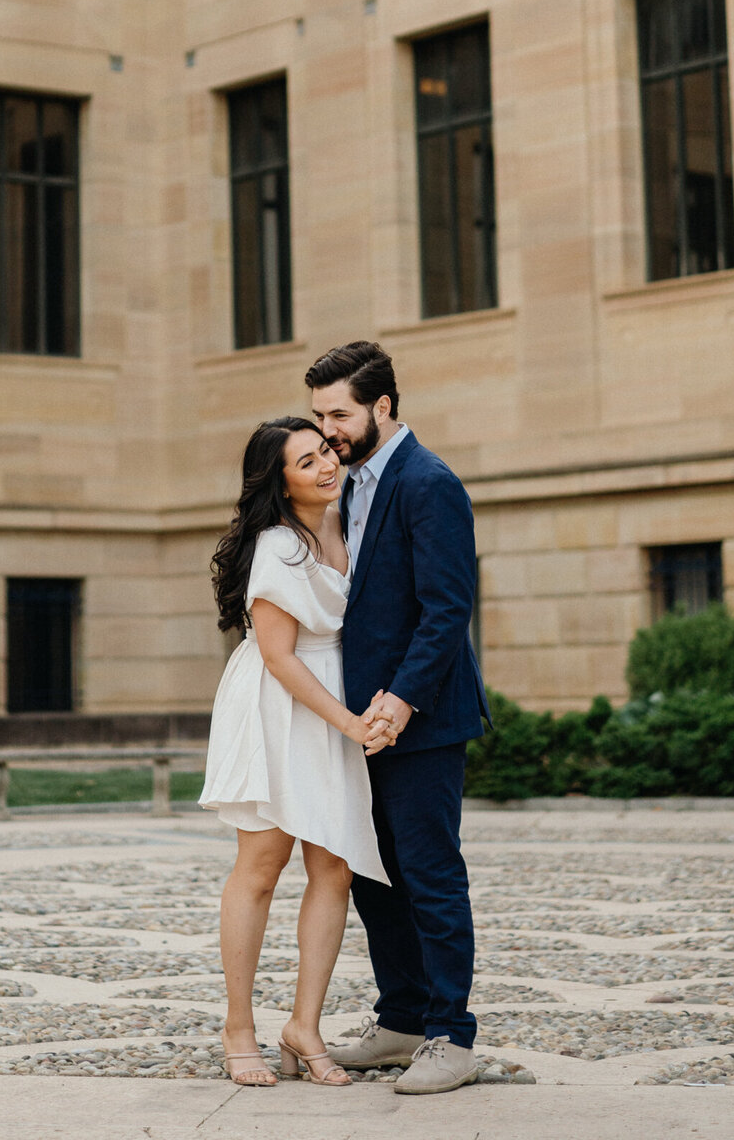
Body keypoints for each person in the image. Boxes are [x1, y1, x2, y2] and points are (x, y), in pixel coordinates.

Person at [306, 341, 491, 1096]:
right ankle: (402, 1021)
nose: (327, 431)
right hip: (360, 723)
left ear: (383, 406)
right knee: (373, 877)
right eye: (318, 416)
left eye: (339, 414)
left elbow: (447, 609)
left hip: (423, 720)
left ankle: (452, 1035)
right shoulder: (347, 485)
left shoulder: (428, 482)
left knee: (429, 876)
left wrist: (401, 699)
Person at [199, 416, 394, 1087]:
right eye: (306, 461)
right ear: (279, 483)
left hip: (334, 706)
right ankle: (239, 1027)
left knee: (334, 868)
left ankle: (303, 1025)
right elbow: (279, 658)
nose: (325, 466)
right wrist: (348, 722)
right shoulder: (277, 547)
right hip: (281, 707)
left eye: (325, 452)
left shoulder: (352, 522)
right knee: (260, 865)